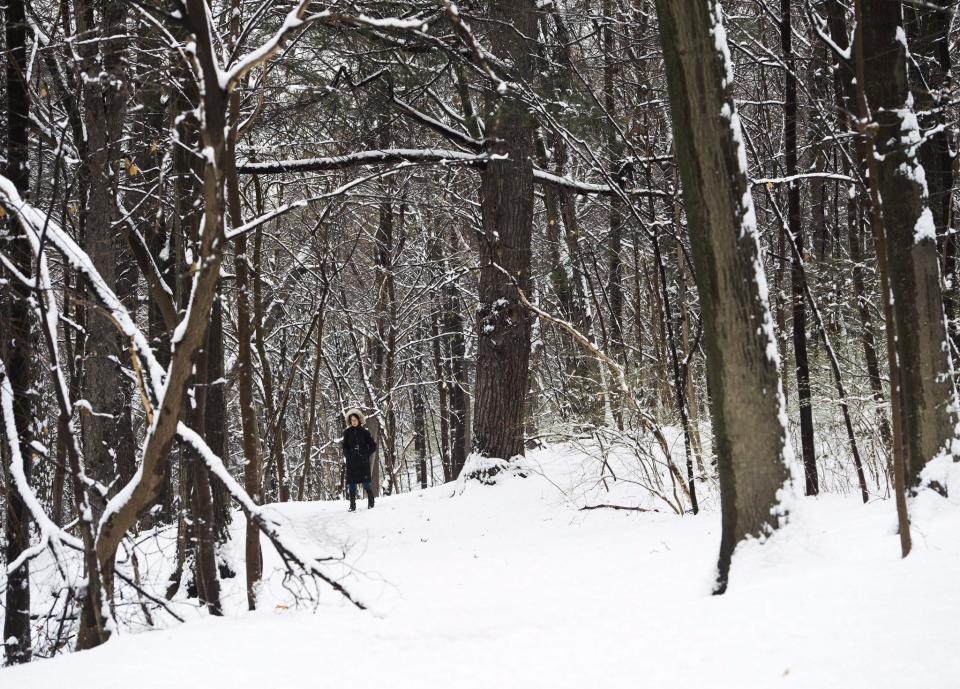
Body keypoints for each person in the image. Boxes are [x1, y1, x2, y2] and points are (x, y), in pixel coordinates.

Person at [342, 408, 376, 511]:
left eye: (355, 420)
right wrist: (348, 455)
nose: (353, 422)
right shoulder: (347, 432)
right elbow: (344, 447)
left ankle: (371, 501)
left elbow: (373, 446)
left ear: (359, 420)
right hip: (351, 463)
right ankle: (352, 505)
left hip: (362, 462)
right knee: (351, 484)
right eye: (352, 420)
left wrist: (366, 454)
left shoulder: (364, 432)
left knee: (366, 483)